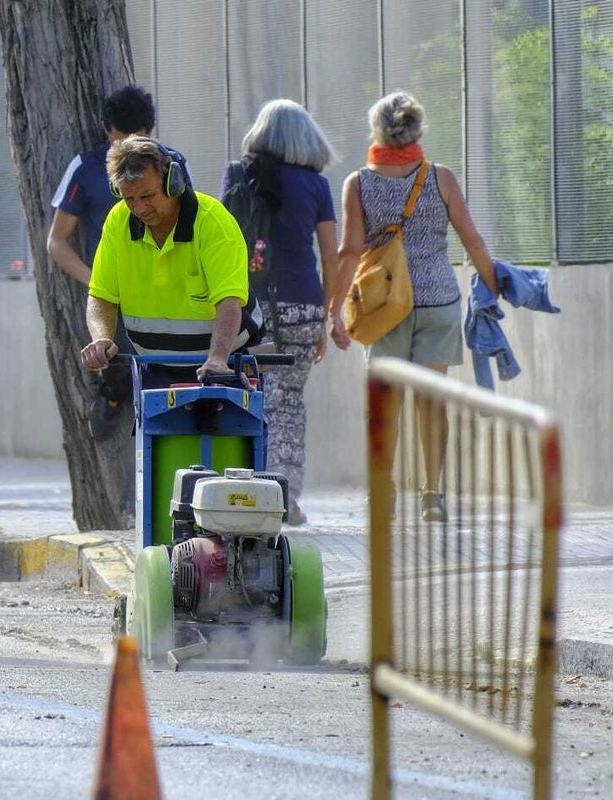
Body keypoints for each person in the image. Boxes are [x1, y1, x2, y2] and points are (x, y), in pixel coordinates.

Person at [327, 91, 497, 522]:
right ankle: (432, 495)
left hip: (385, 304)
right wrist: (494, 287)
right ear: (418, 131)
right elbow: (472, 239)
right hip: (439, 300)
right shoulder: (441, 178)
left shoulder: (358, 183)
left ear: (377, 131)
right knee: (431, 401)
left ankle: (384, 490)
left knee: (385, 403)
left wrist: (335, 314)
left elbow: (349, 252)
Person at [218, 99, 339, 526]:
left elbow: (221, 242)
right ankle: (286, 496)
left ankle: (251, 494)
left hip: (250, 307)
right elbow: (331, 256)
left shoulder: (237, 174)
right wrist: (327, 316)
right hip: (304, 305)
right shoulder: (317, 186)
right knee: (289, 403)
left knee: (252, 398)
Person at [47, 85, 192, 438]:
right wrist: (98, 282)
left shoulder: (172, 164)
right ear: (107, 132)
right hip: (116, 293)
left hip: (168, 292)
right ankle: (111, 396)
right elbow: (57, 240)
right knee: (115, 361)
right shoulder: (85, 167)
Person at [80, 136, 250, 393]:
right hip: (155, 367)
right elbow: (101, 295)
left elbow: (229, 301)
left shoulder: (213, 222)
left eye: (147, 195)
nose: (139, 208)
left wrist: (217, 359)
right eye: (129, 199)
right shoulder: (118, 222)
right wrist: (101, 338)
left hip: (224, 364)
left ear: (173, 182)